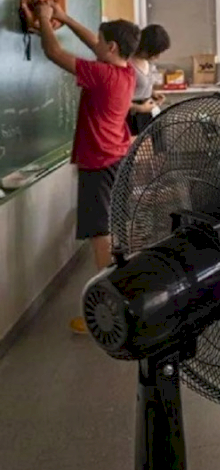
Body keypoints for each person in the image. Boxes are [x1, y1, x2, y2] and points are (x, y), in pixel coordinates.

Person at [26, 1, 140, 333]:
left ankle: (108, 315)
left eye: (102, 41)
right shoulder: (125, 71)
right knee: (110, 233)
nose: (96, 44)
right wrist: (66, 17)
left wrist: (47, 21)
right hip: (117, 159)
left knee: (100, 237)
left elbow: (53, 52)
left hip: (99, 163)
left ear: (112, 47)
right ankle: (119, 303)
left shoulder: (101, 74)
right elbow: (95, 42)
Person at [128, 24, 170, 136]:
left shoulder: (148, 62)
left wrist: (153, 94)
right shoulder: (127, 64)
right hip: (132, 116)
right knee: (136, 151)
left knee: (157, 150)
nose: (158, 56)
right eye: (156, 52)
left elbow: (141, 85)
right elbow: (117, 99)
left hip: (149, 112)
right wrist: (140, 108)